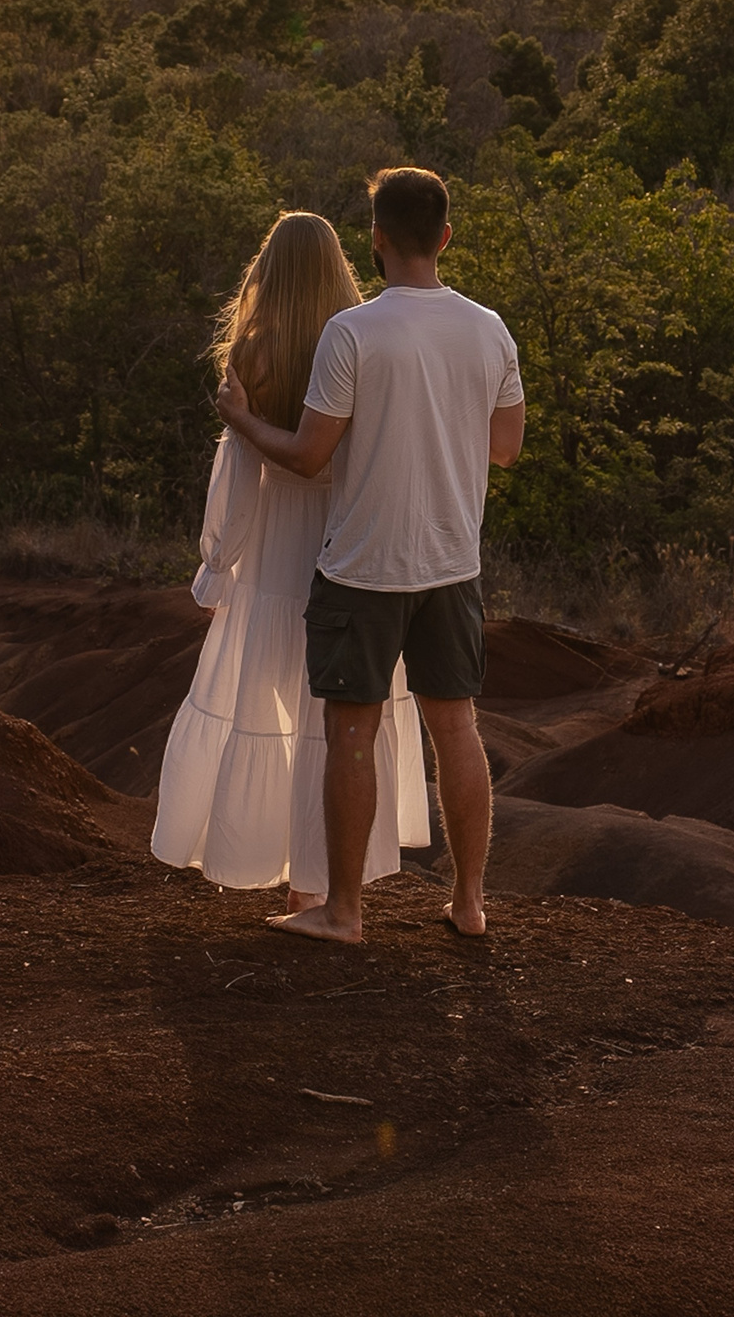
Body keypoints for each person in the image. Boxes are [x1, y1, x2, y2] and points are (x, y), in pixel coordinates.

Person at [217, 167, 524, 943]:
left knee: (350, 734)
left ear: (378, 239)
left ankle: (344, 911)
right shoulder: (490, 329)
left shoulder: (352, 333)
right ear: (445, 237)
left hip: (362, 566)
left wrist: (244, 421)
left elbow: (309, 457)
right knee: (457, 729)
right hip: (453, 563)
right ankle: (469, 903)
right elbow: (507, 449)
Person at [152, 213, 431, 906]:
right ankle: (316, 887)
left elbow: (239, 475)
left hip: (276, 555)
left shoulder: (257, 353)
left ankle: (285, 873)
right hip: (345, 546)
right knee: (331, 727)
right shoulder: (363, 342)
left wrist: (219, 566)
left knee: (277, 717)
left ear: (268, 269)